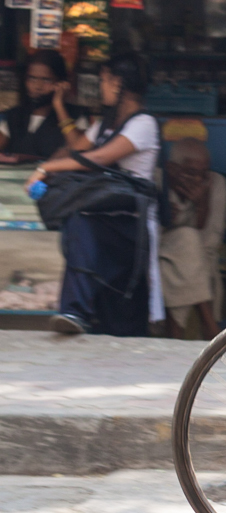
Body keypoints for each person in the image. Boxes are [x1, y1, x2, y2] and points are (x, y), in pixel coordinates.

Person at [25, 53, 164, 336]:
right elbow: (79, 146)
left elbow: (98, 157)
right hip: (105, 218)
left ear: (118, 83)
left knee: (126, 304)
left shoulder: (144, 124)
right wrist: (60, 107)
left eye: (103, 81)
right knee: (78, 223)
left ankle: (78, 311)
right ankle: (75, 311)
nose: (100, 87)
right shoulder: (106, 123)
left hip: (131, 224)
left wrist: (46, 167)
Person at [159, 137, 226, 339]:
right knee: (186, 246)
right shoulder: (155, 181)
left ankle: (175, 332)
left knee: (187, 249)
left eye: (203, 174)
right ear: (171, 168)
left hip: (193, 259)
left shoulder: (215, 184)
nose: (198, 179)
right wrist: (163, 218)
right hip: (161, 252)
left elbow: (207, 243)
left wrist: (201, 205)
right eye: (190, 172)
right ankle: (209, 324)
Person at [0, 50, 85, 163]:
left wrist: (59, 105)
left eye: (46, 80)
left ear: (61, 82)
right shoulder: (14, 115)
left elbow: (80, 149)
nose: (38, 86)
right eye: (32, 78)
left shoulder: (76, 115)